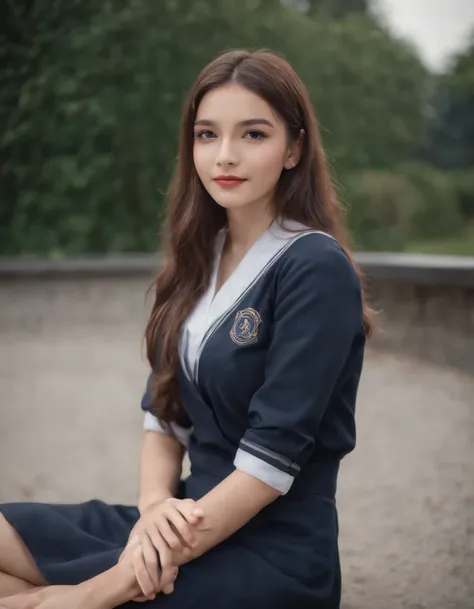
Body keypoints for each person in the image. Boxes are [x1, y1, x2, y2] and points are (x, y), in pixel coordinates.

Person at [0, 48, 373, 609]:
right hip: (179, 522)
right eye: (206, 135)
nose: (225, 155)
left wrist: (102, 589)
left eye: (253, 134)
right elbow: (164, 416)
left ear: (294, 148)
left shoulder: (313, 267)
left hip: (271, 554)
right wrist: (152, 511)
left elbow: (270, 466)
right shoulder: (200, 254)